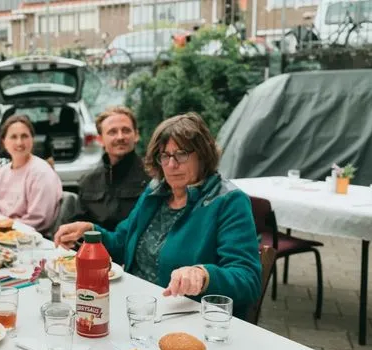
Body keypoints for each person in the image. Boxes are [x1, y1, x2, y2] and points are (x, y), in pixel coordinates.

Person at [54, 113, 261, 317]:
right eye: (165, 155)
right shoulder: (157, 192)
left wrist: (203, 275)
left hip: (185, 317)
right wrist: (91, 232)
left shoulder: (228, 201)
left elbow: (248, 279)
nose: (171, 165)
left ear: (203, 155)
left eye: (181, 154)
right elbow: (121, 243)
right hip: (136, 307)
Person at [73, 107, 149, 231]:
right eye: (112, 132)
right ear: (100, 140)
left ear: (136, 135)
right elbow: (78, 225)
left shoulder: (152, 178)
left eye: (126, 130)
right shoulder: (88, 182)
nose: (120, 137)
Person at [0, 115, 62, 234]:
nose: (19, 142)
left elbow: (38, 220)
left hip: (30, 238)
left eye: (24, 136)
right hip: (1, 234)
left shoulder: (41, 172)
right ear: (4, 142)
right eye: (13, 137)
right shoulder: (1, 173)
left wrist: (5, 228)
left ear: (32, 139)